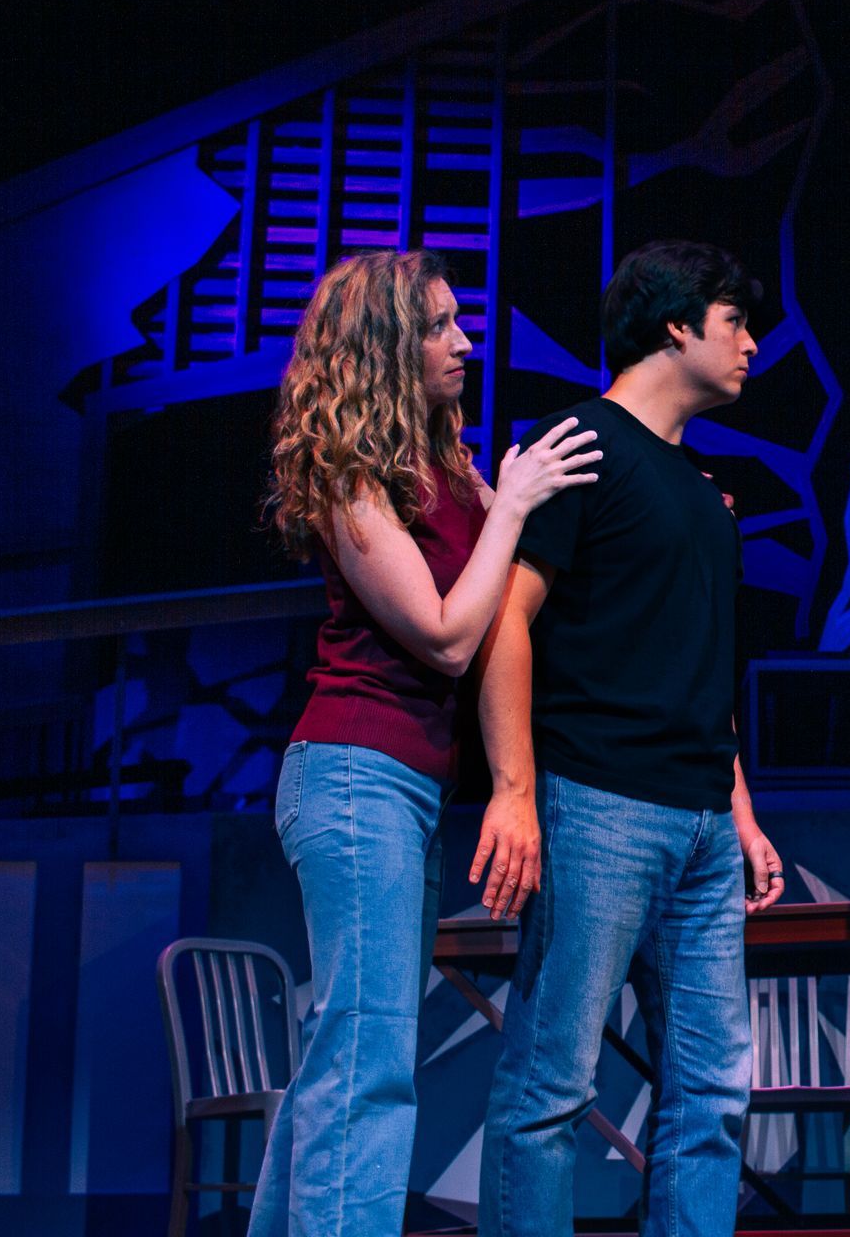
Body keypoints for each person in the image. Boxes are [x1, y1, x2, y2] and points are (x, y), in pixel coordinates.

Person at [254, 249, 601, 1237]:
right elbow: (447, 634)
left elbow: (519, 596)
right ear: (386, 346)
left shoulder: (443, 465)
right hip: (352, 770)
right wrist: (517, 501)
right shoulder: (348, 474)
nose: (466, 340)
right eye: (442, 324)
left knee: (346, 1047)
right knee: (368, 1054)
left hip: (402, 786)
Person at [472, 239, 785, 1237]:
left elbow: (699, 660)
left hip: (699, 818)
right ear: (677, 325)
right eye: (734, 320)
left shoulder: (702, 489)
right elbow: (507, 616)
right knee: (553, 1078)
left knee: (711, 1093)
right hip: (599, 801)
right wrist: (515, 789)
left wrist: (740, 809)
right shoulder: (580, 439)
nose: (750, 343)